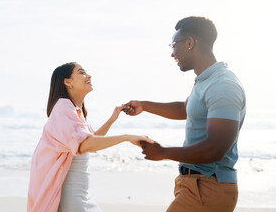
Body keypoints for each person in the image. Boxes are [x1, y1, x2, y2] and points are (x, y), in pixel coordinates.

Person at [124, 16, 246, 212]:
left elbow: (215, 149)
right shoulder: (205, 81)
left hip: (208, 188)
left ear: (190, 43)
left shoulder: (223, 85)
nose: (172, 53)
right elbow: (184, 109)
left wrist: (163, 152)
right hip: (194, 185)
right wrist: (144, 105)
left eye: (174, 45)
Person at [28, 62, 154, 212]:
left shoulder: (75, 112)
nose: (88, 75)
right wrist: (126, 137)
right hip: (71, 199)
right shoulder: (63, 107)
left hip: (82, 197)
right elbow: (84, 144)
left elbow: (92, 141)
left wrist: (112, 119)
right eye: (81, 72)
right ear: (68, 81)